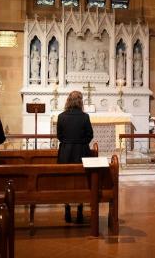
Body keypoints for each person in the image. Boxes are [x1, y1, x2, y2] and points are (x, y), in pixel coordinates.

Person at [57, 91, 94, 223]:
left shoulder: (61, 116)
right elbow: (90, 134)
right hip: (82, 152)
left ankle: (67, 209)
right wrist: (82, 142)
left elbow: (59, 136)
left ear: (68, 101)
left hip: (66, 152)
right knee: (81, 180)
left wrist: (68, 142)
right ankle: (79, 210)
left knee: (66, 181)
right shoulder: (84, 117)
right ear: (80, 101)